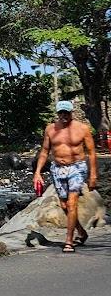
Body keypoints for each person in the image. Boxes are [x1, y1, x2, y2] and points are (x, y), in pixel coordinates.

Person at [33, 101, 99, 253]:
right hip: (57, 169)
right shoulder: (50, 129)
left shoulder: (82, 129)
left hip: (77, 167)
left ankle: (69, 241)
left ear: (71, 113)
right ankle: (82, 232)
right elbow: (44, 151)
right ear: (57, 113)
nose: (63, 116)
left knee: (72, 203)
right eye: (60, 113)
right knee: (64, 206)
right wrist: (37, 172)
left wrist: (93, 175)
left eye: (66, 113)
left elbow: (92, 152)